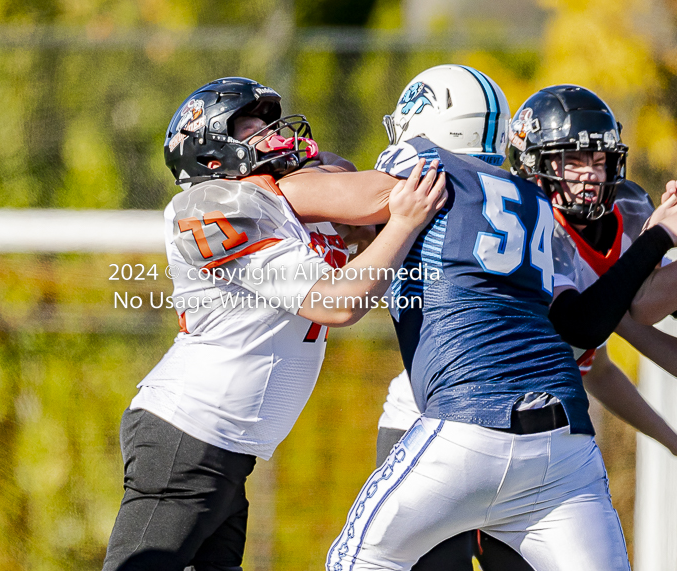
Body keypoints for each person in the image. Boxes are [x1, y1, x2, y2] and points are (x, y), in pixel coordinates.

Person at [276, 64, 677, 571]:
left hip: (462, 418)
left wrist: (267, 180)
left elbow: (323, 202)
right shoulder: (533, 201)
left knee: (359, 561)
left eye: (597, 160)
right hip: (563, 438)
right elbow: (601, 335)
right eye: (572, 158)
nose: (587, 174)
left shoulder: (425, 166)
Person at [101, 77, 447, 571]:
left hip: (225, 449)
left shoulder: (282, 201)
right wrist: (404, 222)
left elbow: (366, 243)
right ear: (210, 155)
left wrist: (376, 229)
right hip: (186, 435)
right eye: (250, 126)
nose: (270, 133)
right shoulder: (211, 204)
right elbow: (339, 304)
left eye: (267, 121)